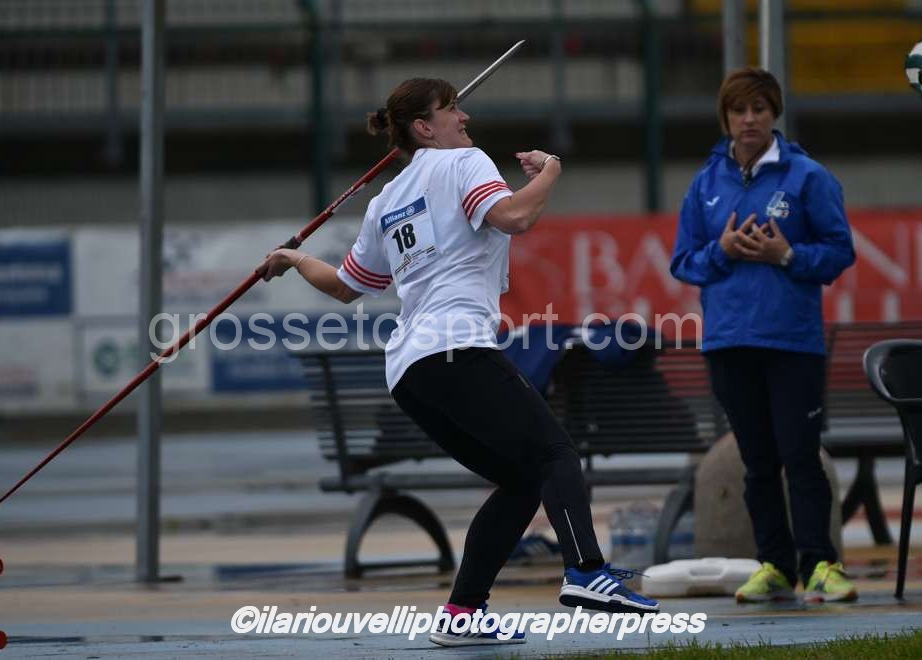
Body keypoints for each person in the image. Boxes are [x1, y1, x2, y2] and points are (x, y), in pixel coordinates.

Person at [259, 77, 659, 646]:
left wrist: (296, 259)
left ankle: (463, 613)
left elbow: (346, 286)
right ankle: (587, 573)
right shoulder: (465, 163)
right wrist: (550, 172)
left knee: (522, 479)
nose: (464, 117)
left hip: (410, 373)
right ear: (424, 127)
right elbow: (514, 217)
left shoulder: (386, 201)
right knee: (554, 453)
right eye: (451, 109)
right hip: (456, 348)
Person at [669, 67, 857, 604]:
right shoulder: (706, 184)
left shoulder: (808, 177)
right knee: (757, 465)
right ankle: (775, 566)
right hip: (729, 343)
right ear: (725, 118)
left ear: (775, 113)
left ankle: (820, 565)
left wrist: (788, 255)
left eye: (759, 109)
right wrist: (722, 251)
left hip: (793, 342)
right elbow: (683, 261)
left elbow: (840, 251)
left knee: (801, 457)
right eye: (739, 110)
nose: (749, 119)